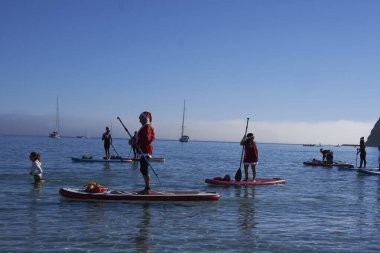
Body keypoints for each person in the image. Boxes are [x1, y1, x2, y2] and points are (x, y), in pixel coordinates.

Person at [136, 111, 155, 194]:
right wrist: (134, 140)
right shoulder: (143, 127)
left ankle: (147, 189)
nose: (139, 120)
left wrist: (137, 140)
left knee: (144, 169)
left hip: (146, 151)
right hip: (142, 151)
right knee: (142, 169)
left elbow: (147, 139)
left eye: (140, 118)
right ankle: (146, 188)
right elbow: (140, 138)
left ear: (145, 119)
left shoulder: (147, 127)